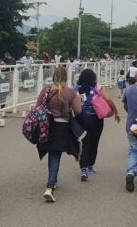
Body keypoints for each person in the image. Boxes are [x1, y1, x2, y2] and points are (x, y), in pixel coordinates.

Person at [33, 66, 82, 202]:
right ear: (66, 78)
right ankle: (50, 187)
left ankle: (52, 181)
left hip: (47, 127)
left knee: (52, 154)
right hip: (62, 127)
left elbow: (37, 107)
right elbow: (78, 111)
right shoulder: (70, 92)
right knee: (55, 155)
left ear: (53, 76)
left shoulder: (46, 90)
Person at [75, 69, 120, 182]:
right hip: (96, 119)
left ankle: (83, 169)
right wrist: (116, 112)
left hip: (82, 119)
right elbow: (108, 100)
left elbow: (74, 104)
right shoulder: (97, 87)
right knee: (94, 142)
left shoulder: (76, 89)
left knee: (85, 143)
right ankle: (90, 166)